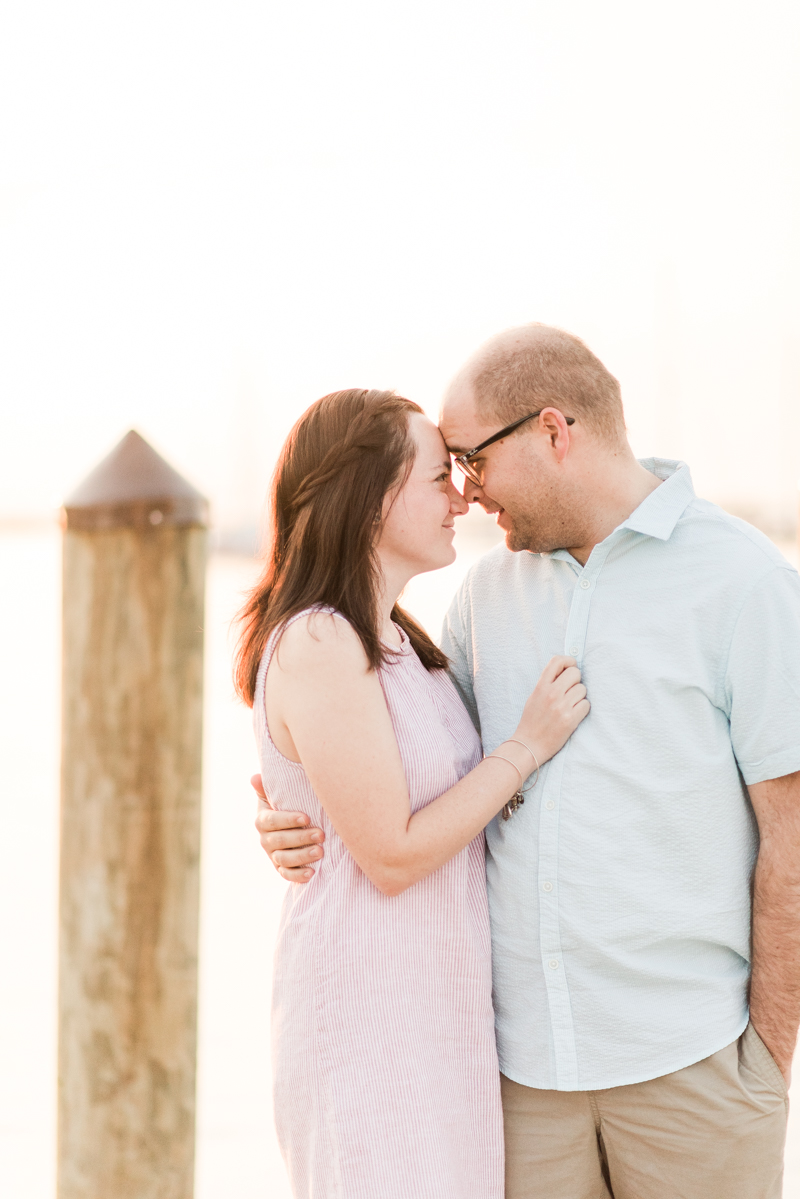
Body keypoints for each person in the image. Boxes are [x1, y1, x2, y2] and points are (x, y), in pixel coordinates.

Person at [256, 327, 800, 1199]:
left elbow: (792, 835)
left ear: (553, 432)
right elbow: (423, 788)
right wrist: (292, 813)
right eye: (448, 471)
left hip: (690, 1068)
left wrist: (767, 1058)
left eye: (471, 459)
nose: (467, 493)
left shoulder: (743, 583)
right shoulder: (484, 598)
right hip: (512, 1079)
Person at [235, 387, 589, 1199]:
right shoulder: (321, 636)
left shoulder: (399, 640)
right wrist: (526, 748)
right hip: (370, 1023)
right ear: (369, 497)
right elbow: (391, 855)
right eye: (439, 477)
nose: (463, 496)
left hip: (437, 1020)